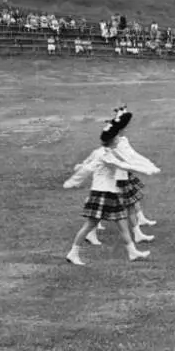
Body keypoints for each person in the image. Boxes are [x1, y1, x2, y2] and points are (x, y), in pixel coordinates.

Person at [62, 119, 153, 265]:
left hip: (110, 193)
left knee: (122, 224)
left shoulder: (105, 152)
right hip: (103, 194)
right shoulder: (106, 156)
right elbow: (121, 165)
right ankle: (73, 253)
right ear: (112, 141)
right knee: (89, 225)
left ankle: (132, 252)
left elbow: (87, 168)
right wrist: (147, 169)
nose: (119, 138)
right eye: (117, 137)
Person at [109, 106, 160, 245]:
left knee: (131, 203)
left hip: (124, 175)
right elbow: (129, 160)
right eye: (123, 127)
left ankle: (138, 231)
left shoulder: (121, 140)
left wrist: (147, 164)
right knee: (109, 207)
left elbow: (133, 156)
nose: (126, 128)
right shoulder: (116, 145)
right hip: (118, 178)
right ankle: (91, 230)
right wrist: (146, 168)